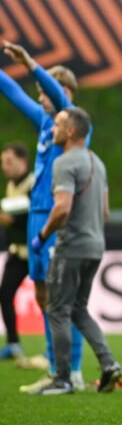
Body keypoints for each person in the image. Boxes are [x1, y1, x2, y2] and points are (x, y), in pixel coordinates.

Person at [1, 41, 87, 393]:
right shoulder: (44, 122)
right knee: (42, 296)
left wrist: (32, 64)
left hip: (56, 217)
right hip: (36, 217)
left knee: (61, 297)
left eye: (46, 91)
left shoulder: (76, 124)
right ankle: (55, 369)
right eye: (39, 91)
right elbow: (10, 90)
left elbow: (56, 95)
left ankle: (74, 370)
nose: (40, 97)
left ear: (65, 92)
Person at [30, 108, 122, 395]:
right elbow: (104, 212)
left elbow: (62, 207)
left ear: (71, 131)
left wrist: (42, 236)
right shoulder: (98, 162)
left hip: (71, 246)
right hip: (96, 245)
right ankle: (109, 364)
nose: (51, 130)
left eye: (57, 125)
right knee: (79, 308)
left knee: (57, 310)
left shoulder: (63, 163)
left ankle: (63, 378)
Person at [0, 142, 32, 361]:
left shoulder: (34, 183)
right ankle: (13, 344)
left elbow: (14, 218)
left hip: (36, 252)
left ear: (23, 161)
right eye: (3, 162)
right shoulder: (12, 186)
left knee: (49, 300)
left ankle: (56, 349)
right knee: (5, 294)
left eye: (9, 161)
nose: (5, 167)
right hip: (17, 252)